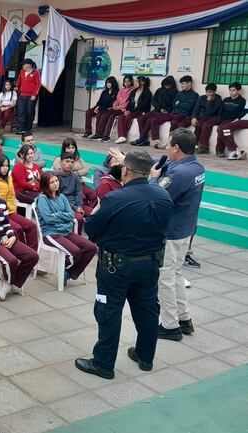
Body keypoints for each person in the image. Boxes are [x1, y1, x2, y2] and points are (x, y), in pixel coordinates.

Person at [76, 151, 173, 380]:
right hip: (149, 264)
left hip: (116, 267)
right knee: (147, 310)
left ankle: (103, 363)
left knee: (109, 312)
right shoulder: (163, 196)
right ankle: (145, 356)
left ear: (125, 170)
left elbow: (92, 229)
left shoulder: (115, 198)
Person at [149, 129, 204, 341]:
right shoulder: (196, 166)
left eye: (168, 144)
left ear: (177, 148)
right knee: (176, 274)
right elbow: (166, 166)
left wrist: (153, 179)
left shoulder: (180, 174)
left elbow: (157, 197)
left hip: (171, 233)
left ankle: (170, 325)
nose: (166, 148)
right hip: (185, 230)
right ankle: (184, 319)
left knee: (165, 278)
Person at [35, 172, 97, 285]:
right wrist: (63, 217)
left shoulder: (62, 197)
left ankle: (69, 272)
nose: (55, 184)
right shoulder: (43, 199)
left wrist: (58, 215)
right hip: (51, 233)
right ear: (45, 185)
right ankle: (69, 271)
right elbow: (48, 219)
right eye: (52, 182)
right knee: (75, 251)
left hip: (65, 230)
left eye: (56, 181)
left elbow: (71, 215)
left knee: (91, 247)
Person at [0, 154, 39, 251]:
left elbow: (11, 196)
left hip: (9, 212)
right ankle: (22, 254)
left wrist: (11, 209)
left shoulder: (8, 178)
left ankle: (31, 253)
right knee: (17, 229)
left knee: (32, 226)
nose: (5, 168)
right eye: (2, 165)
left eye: (7, 165)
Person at [148, 75, 199, 149]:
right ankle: (156, 140)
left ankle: (170, 143)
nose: (181, 86)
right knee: (154, 120)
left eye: (183, 84)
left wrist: (179, 104)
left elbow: (189, 107)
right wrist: (183, 104)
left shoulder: (194, 95)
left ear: (189, 83)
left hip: (183, 115)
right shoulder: (179, 94)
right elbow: (174, 104)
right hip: (173, 113)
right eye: (181, 84)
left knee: (174, 122)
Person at [131, 75, 178, 147]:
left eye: (168, 85)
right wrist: (159, 108)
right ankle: (143, 138)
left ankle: (142, 139)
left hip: (166, 113)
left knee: (150, 120)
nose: (166, 86)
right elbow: (154, 101)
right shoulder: (159, 90)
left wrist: (166, 109)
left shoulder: (174, 92)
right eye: (165, 84)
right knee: (141, 119)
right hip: (157, 110)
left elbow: (173, 104)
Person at [55, 152, 91, 233]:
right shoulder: (55, 177)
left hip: (75, 204)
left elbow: (78, 193)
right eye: (67, 161)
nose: (70, 164)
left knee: (94, 214)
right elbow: (58, 197)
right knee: (79, 219)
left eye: (72, 162)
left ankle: (91, 238)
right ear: (60, 162)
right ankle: (77, 237)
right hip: (62, 205)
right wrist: (75, 208)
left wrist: (79, 206)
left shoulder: (75, 177)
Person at [93, 75, 135, 142]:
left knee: (112, 116)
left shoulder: (132, 90)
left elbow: (128, 103)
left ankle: (107, 136)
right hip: (116, 108)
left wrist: (118, 107)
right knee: (105, 114)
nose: (126, 83)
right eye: (125, 81)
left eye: (128, 81)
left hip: (122, 109)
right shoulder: (121, 90)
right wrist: (114, 105)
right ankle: (99, 134)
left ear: (131, 82)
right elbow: (117, 100)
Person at [213, 83, 247, 158]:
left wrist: (236, 119)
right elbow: (221, 110)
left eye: (233, 90)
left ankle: (224, 149)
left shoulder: (242, 101)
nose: (231, 92)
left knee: (221, 129)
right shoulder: (226, 99)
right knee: (218, 128)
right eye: (230, 90)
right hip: (223, 119)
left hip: (231, 119)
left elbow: (237, 113)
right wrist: (220, 118)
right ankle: (231, 149)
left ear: (239, 91)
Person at [188, 83, 223, 154]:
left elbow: (209, 112)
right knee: (198, 125)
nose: (208, 94)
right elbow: (196, 109)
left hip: (214, 117)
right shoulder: (202, 98)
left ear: (214, 92)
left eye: (210, 92)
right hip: (203, 117)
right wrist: (194, 117)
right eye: (207, 92)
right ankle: (193, 145)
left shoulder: (218, 99)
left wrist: (209, 102)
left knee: (205, 125)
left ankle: (204, 147)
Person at [115, 76, 152, 144]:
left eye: (137, 81)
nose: (135, 83)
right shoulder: (134, 91)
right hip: (132, 110)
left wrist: (130, 111)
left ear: (142, 82)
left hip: (141, 111)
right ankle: (121, 136)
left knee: (128, 117)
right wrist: (127, 110)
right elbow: (129, 102)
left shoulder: (147, 92)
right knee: (121, 117)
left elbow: (143, 105)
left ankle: (124, 135)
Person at [15, 59, 41, 133]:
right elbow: (19, 81)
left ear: (29, 65)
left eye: (24, 64)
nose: (22, 66)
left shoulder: (36, 72)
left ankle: (28, 127)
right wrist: (17, 87)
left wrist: (34, 94)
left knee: (29, 111)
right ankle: (21, 127)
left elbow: (38, 84)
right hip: (22, 94)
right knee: (21, 111)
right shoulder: (22, 72)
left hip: (31, 96)